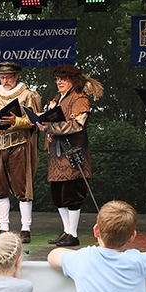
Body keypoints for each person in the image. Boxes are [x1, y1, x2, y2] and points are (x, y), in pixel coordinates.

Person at [37, 65, 103, 248]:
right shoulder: (57, 98)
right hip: (56, 154)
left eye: (63, 79)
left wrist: (50, 127)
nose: (59, 82)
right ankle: (67, 231)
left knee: (72, 193)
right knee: (58, 194)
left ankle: (73, 233)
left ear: (73, 80)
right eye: (58, 79)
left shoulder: (80, 98)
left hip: (72, 152)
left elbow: (77, 124)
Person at [0, 62, 42, 243]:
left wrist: (16, 121)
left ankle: (25, 228)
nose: (5, 80)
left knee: (22, 187)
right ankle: (3, 227)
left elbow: (35, 121)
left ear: (16, 76)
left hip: (19, 145)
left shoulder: (28, 95)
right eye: (2, 77)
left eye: (8, 76)